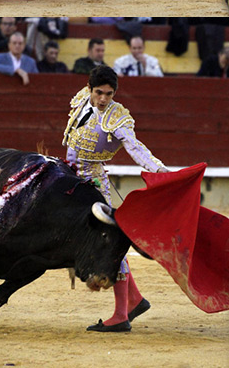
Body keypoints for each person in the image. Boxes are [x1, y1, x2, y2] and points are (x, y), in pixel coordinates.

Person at [63, 63, 167, 330]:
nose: (103, 99)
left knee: (111, 243)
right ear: (89, 88)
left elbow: (134, 147)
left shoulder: (117, 117)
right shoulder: (80, 98)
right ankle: (135, 300)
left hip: (95, 183)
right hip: (70, 177)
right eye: (99, 93)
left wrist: (159, 170)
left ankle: (121, 314)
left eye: (109, 94)